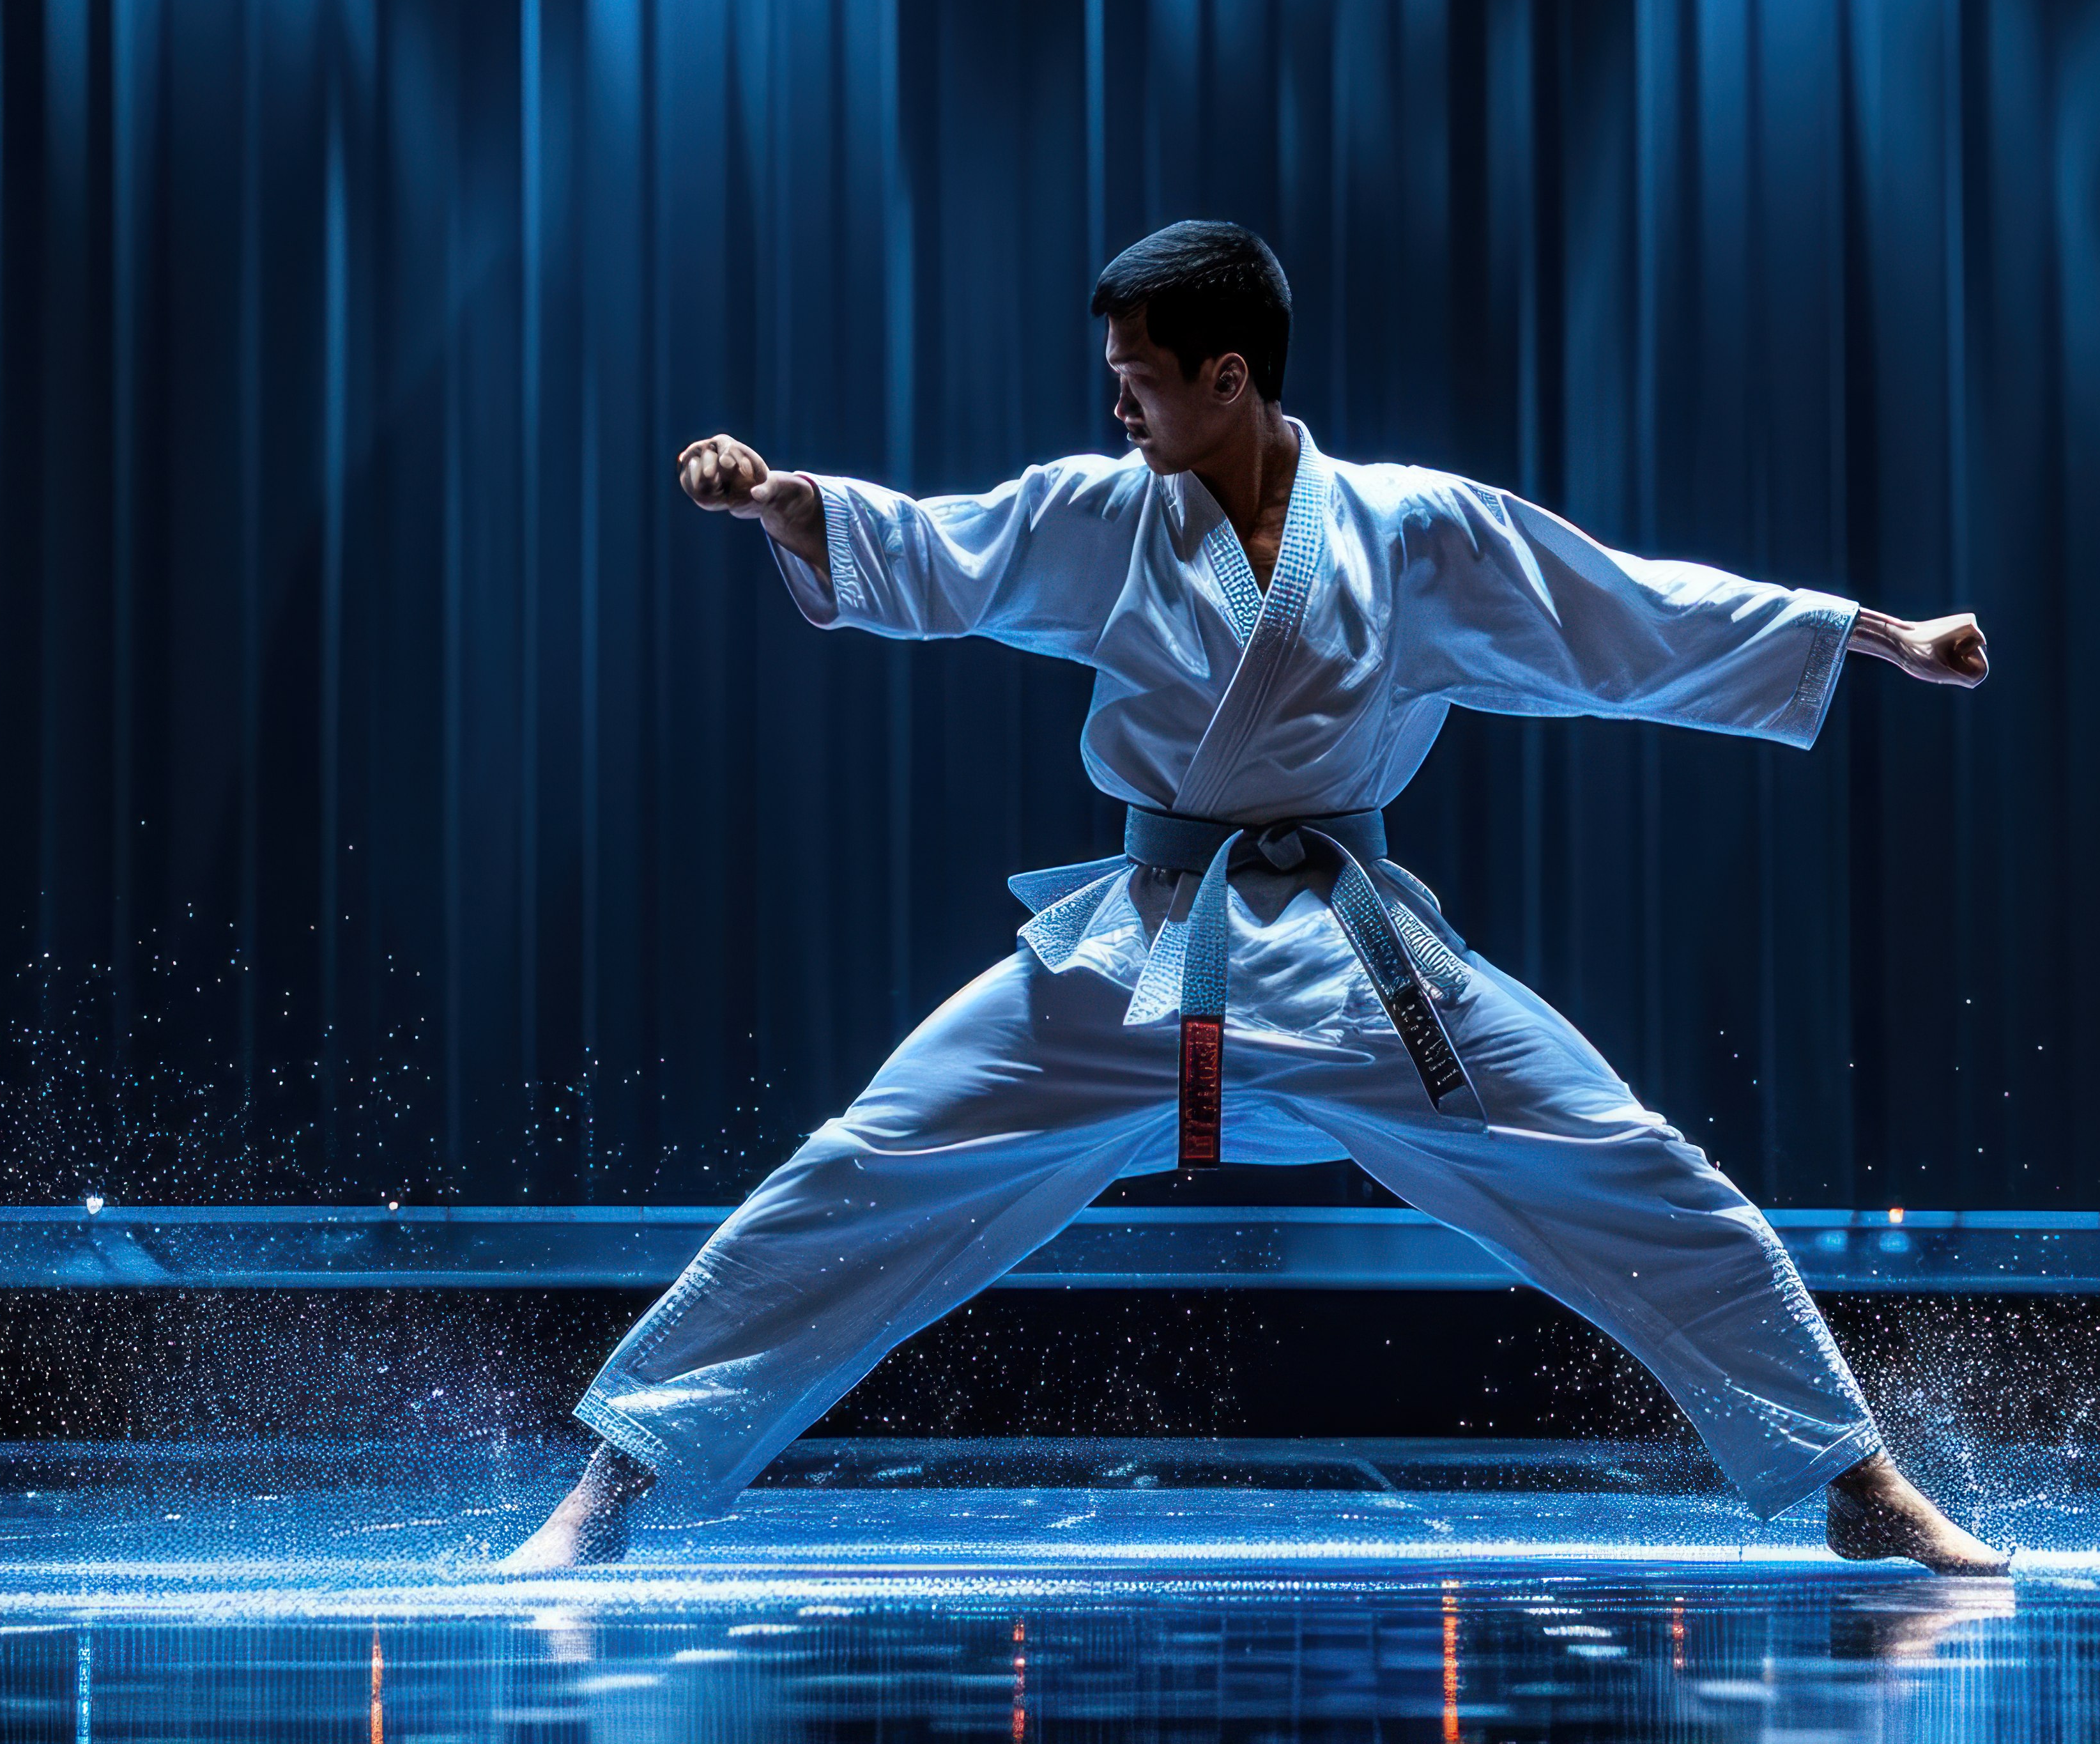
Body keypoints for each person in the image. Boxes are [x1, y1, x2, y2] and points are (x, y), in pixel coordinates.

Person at [503, 221, 2005, 1575]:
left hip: (1363, 966)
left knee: (1631, 1167)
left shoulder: (1410, 530)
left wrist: (1877, 636)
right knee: (871, 1162)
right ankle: (612, 1487)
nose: (1116, 405)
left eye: (1139, 379)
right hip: (1138, 952)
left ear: (1228, 376)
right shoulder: (1101, 514)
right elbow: (932, 550)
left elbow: (1621, 609)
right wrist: (778, 499)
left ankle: (1855, 1482)